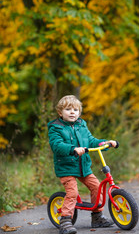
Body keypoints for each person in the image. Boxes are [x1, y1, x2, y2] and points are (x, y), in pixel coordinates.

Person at [48, 95, 117, 234]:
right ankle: (65, 220)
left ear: (79, 112)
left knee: (97, 186)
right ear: (60, 113)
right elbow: (57, 145)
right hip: (66, 167)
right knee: (72, 192)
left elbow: (91, 140)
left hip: (83, 167)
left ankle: (97, 217)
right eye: (68, 109)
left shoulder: (81, 125)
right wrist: (72, 148)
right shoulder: (56, 128)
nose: (72, 112)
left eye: (75, 109)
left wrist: (104, 143)